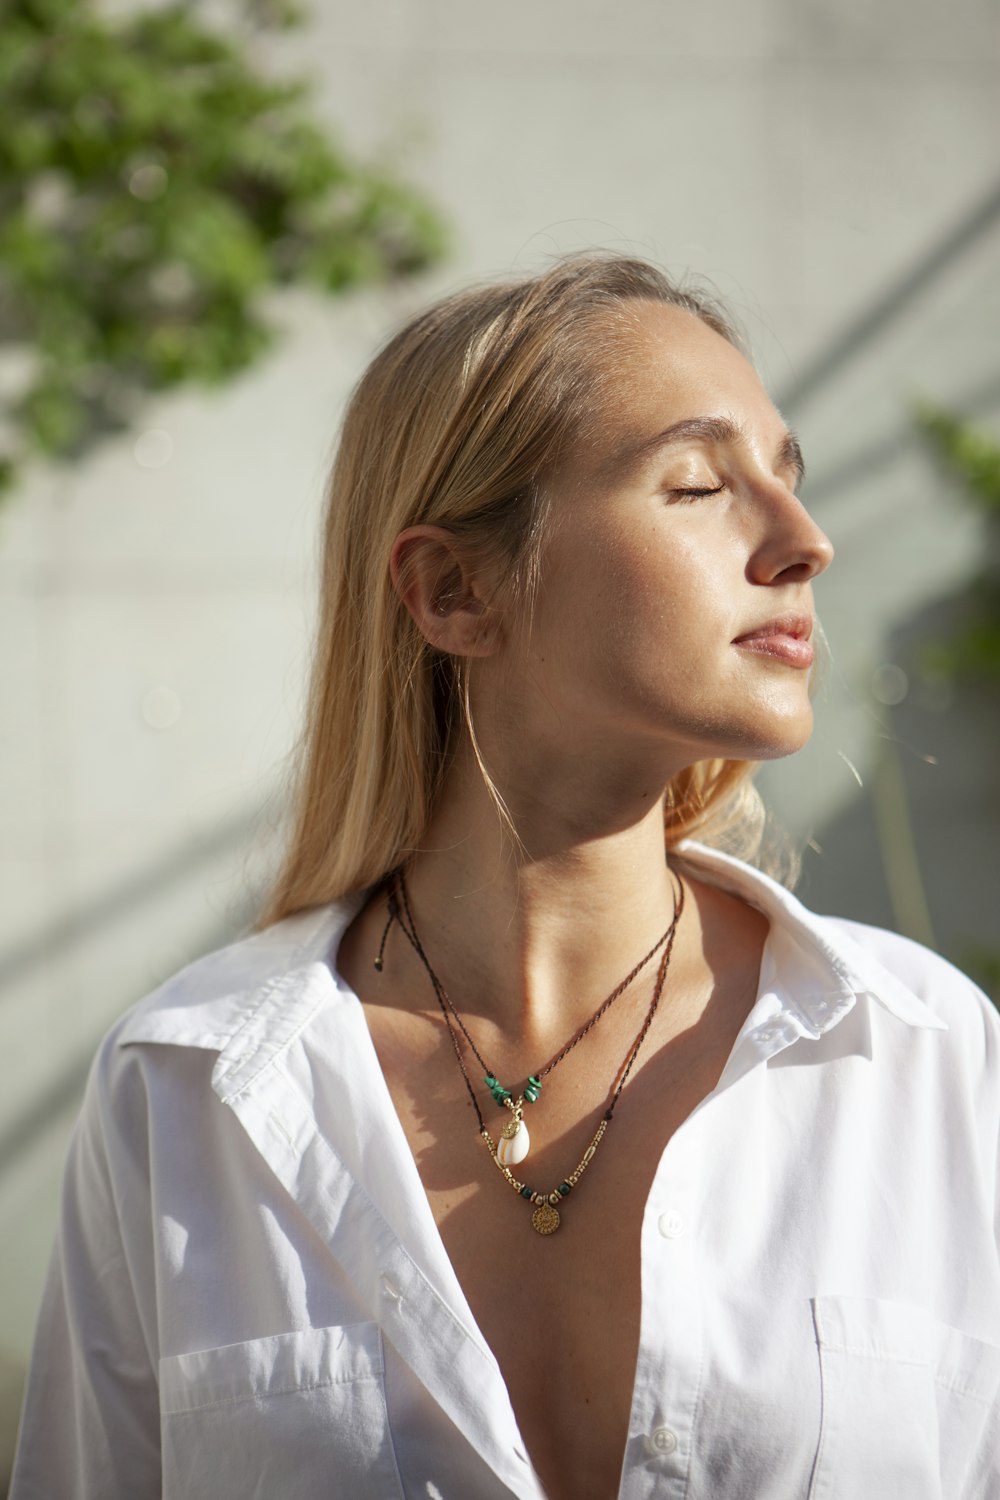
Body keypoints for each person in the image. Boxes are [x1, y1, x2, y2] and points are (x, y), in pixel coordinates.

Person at [10, 256, 1000, 1500]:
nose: (803, 542)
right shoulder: (187, 1088)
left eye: (785, 480)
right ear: (456, 591)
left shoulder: (922, 1058)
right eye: (696, 484)